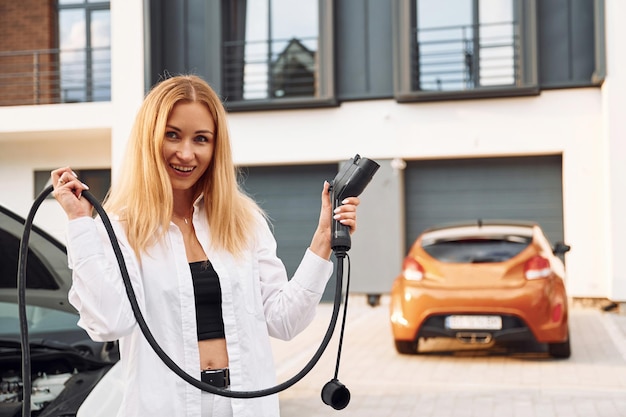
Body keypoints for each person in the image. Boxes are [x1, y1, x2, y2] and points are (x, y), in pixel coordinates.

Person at [51, 74, 360, 417]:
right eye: (172, 135)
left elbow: (284, 321)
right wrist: (80, 225)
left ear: (216, 147)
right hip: (165, 407)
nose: (186, 153)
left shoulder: (244, 222)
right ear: (149, 139)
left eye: (201, 138)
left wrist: (321, 240)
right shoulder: (121, 227)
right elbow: (109, 323)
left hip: (244, 405)